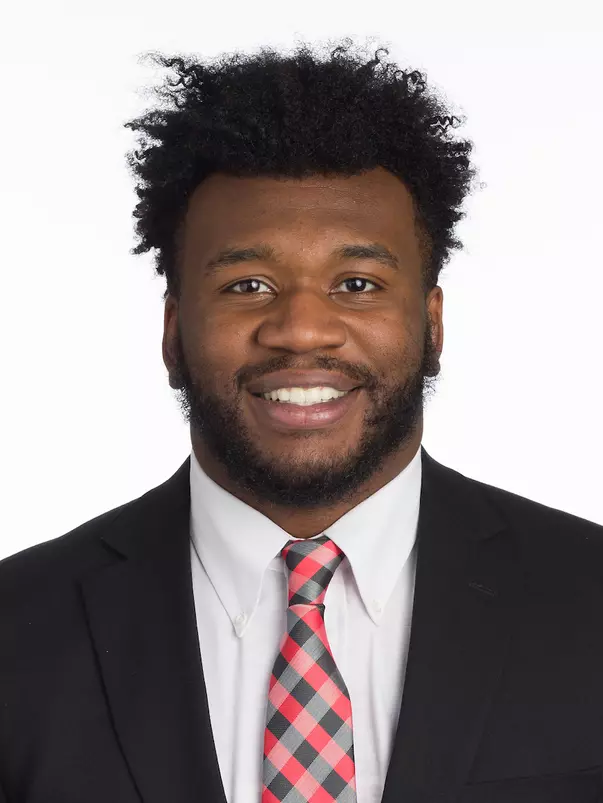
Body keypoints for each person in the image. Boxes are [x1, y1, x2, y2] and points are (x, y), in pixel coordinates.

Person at [1, 38, 602, 803]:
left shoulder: (588, 602)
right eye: (248, 283)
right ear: (172, 331)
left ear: (432, 325)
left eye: (356, 282)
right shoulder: (18, 632)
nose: (301, 329)